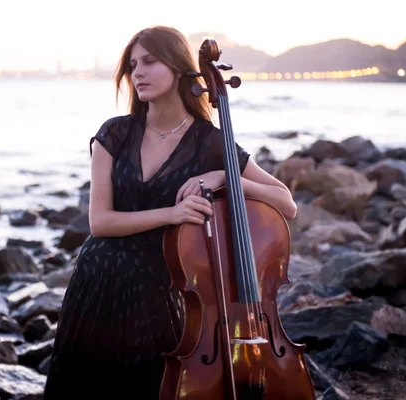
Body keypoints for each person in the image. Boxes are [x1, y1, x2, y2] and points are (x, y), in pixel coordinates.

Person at [43, 25, 297, 399]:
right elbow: (100, 223)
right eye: (132, 65)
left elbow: (286, 203)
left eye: (149, 61)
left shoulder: (210, 142)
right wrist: (173, 214)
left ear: (178, 67)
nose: (138, 73)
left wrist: (229, 177)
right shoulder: (114, 134)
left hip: (162, 289)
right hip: (98, 283)